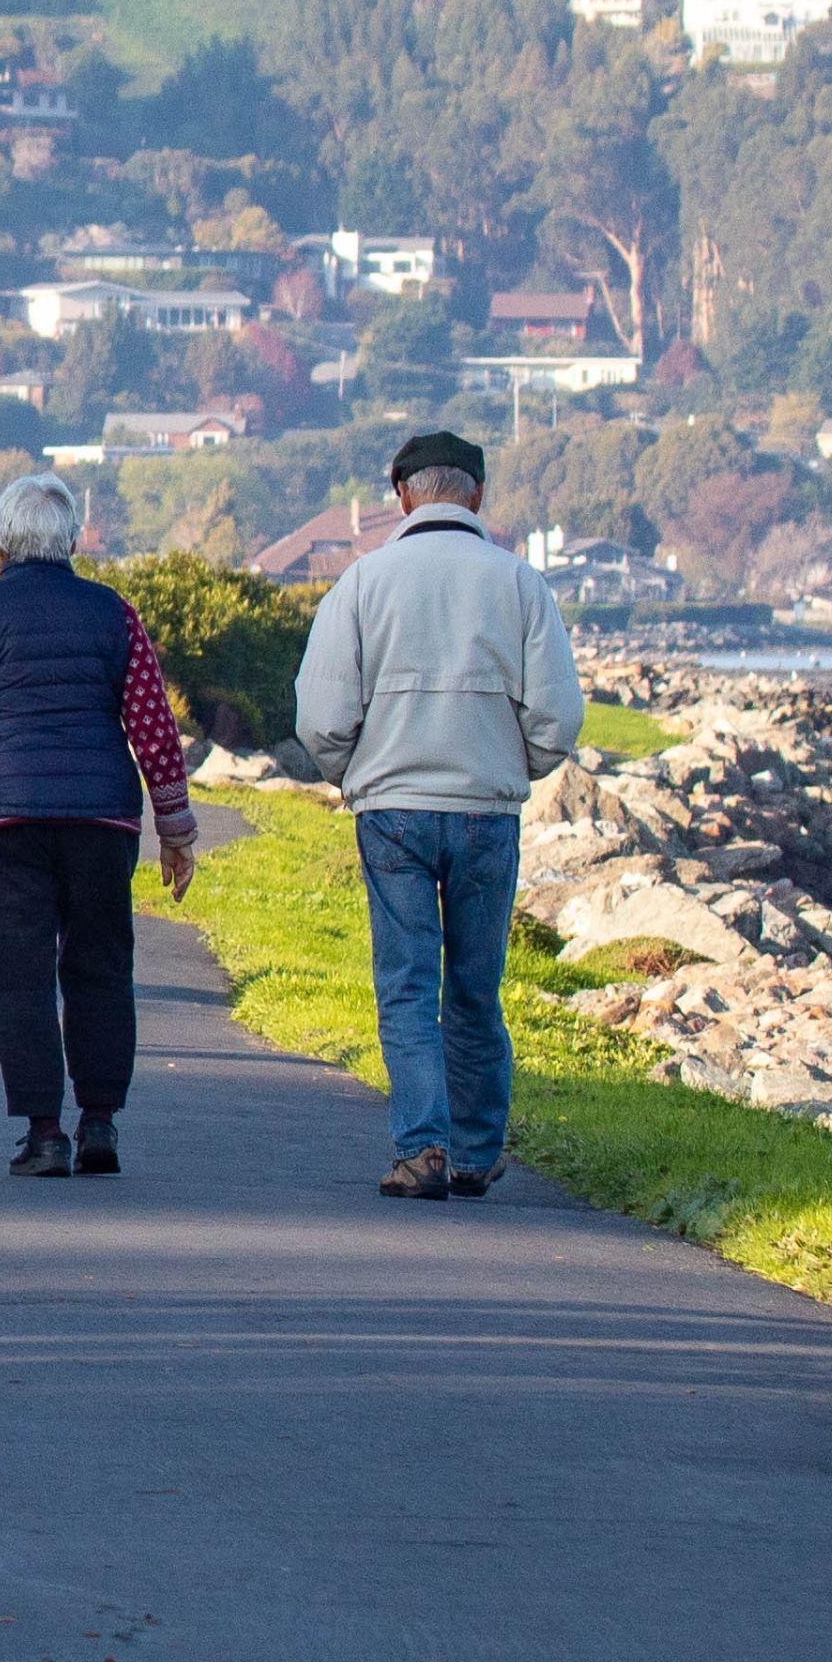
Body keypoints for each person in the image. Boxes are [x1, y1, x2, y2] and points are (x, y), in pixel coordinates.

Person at [294, 428, 582, 1203]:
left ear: (401, 497)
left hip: (393, 811)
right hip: (487, 809)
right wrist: (510, 768)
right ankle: (475, 1153)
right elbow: (558, 717)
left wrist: (354, 773)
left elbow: (320, 717)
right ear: (478, 494)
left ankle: (423, 1146)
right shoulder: (520, 583)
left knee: (408, 986)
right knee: (476, 988)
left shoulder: (362, 583)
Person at [0, 472, 199, 1179]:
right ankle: (99, 1121)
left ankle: (44, 1133)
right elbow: (153, 724)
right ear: (71, 541)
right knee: (101, 966)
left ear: (1, 541)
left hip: (3, 818)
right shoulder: (112, 613)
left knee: (18, 975)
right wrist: (175, 827)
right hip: (101, 817)